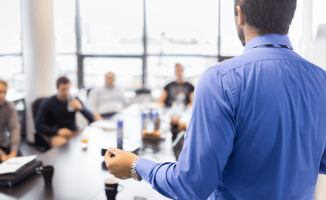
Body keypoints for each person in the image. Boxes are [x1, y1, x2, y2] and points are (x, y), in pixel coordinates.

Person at [105, 0, 326, 199]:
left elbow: (192, 186)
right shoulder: (321, 79)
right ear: (289, 15)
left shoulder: (221, 79)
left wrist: (135, 165)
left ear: (240, 15)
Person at [35, 76, 94, 147]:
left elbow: (91, 118)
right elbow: (38, 125)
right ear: (57, 89)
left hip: (73, 132)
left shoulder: (74, 99)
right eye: (63, 89)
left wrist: (81, 108)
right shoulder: (48, 103)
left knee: (88, 141)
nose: (66, 92)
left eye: (68, 89)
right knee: (64, 146)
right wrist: (57, 131)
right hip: (57, 133)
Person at [0, 80, 21, 165]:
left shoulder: (9, 106)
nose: (3, 96)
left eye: (5, 93)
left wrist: (13, 152)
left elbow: (14, 128)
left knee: (21, 163)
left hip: (4, 143)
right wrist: (1, 154)